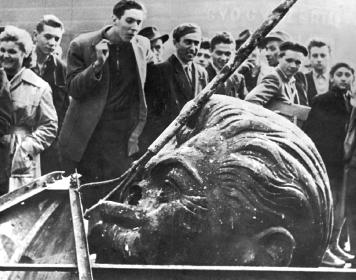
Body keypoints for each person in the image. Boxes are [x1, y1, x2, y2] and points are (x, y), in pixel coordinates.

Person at [58, 0, 154, 195]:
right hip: (88, 136)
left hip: (122, 137)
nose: (134, 27)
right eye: (129, 21)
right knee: (85, 197)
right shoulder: (82, 44)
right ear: (115, 19)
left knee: (116, 195)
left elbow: (148, 81)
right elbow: (73, 89)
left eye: (139, 22)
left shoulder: (142, 45)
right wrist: (97, 65)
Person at [303, 62, 355, 267]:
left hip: (341, 161)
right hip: (327, 160)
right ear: (332, 77)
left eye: (347, 74)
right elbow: (313, 131)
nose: (343, 78)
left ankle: (333, 245)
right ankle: (324, 249)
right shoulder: (322, 100)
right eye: (339, 74)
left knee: (340, 208)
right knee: (329, 205)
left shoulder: (349, 101)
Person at [0, 25, 57, 192]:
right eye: (2, 50)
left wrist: (26, 148)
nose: (5, 55)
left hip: (19, 152)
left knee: (17, 205)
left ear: (25, 53)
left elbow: (50, 126)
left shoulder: (38, 86)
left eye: (12, 52)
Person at [32, 14, 68, 174]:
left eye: (57, 38)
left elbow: (64, 107)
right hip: (20, 136)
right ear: (35, 36)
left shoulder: (61, 69)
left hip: (49, 140)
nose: (52, 43)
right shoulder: (20, 63)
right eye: (47, 36)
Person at [245, 41, 309, 107]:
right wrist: (270, 116)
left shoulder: (291, 80)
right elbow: (251, 101)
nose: (293, 65)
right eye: (289, 60)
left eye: (298, 63)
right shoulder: (274, 78)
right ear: (279, 58)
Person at [205, 31, 247, 99]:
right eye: (219, 53)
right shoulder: (202, 75)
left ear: (234, 53)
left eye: (228, 54)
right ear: (210, 51)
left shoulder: (238, 78)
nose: (223, 58)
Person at [305, 39, 332, 104]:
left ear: (329, 56)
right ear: (309, 57)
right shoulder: (303, 79)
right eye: (315, 56)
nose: (319, 59)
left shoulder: (338, 79)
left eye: (323, 55)